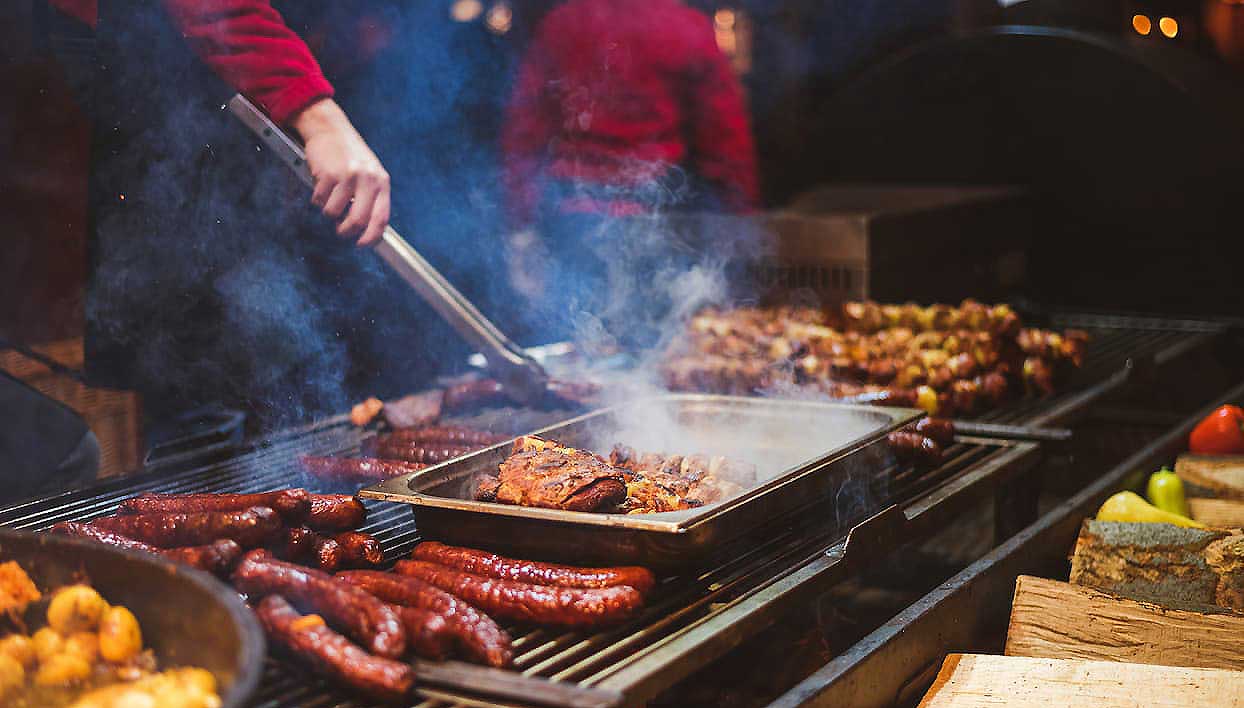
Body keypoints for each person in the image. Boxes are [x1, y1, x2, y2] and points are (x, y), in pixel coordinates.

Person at [41, 0, 405, 431]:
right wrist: (319, 115)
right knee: (198, 358)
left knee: (252, 347)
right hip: (155, 65)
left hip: (226, 83)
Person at [499, 0, 759, 347]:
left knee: (577, 349)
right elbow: (726, 142)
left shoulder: (562, 22)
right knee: (659, 349)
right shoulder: (686, 26)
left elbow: (525, 132)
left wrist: (520, 227)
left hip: (574, 225)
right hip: (658, 224)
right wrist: (741, 221)